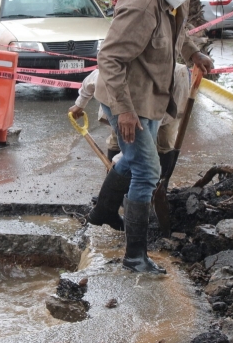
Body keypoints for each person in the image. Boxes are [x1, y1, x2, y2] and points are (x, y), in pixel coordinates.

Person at [93, 0, 214, 274]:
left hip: (150, 96)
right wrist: (124, 112)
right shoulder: (140, 7)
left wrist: (193, 54)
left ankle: (103, 212)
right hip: (125, 98)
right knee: (147, 171)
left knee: (133, 161)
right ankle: (135, 256)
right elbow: (109, 59)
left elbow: (178, 32)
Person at [69, 64, 191, 231]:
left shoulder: (177, 75)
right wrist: (80, 104)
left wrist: (129, 155)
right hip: (124, 107)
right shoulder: (112, 74)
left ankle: (158, 189)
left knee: (163, 145)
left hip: (165, 110)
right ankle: (114, 201)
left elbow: (162, 119)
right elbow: (90, 81)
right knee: (119, 143)